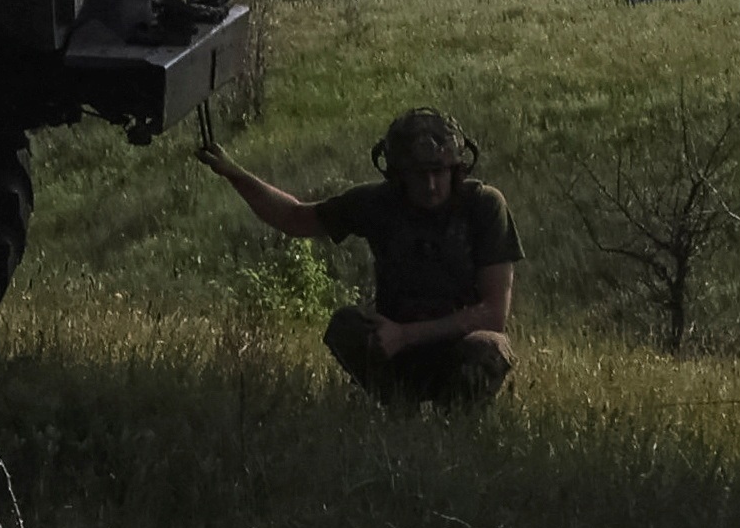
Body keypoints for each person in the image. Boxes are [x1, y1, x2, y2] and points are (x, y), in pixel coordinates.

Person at [198, 108, 518, 407]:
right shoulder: (379, 204)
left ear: (456, 169)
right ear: (399, 176)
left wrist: (405, 335)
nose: (431, 184)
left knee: (487, 347)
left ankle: (457, 420)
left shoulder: (484, 206)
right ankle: (394, 407)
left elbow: (492, 314)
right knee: (347, 325)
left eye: (439, 171)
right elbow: (295, 218)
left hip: (457, 345)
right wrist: (234, 173)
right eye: (419, 174)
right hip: (394, 347)